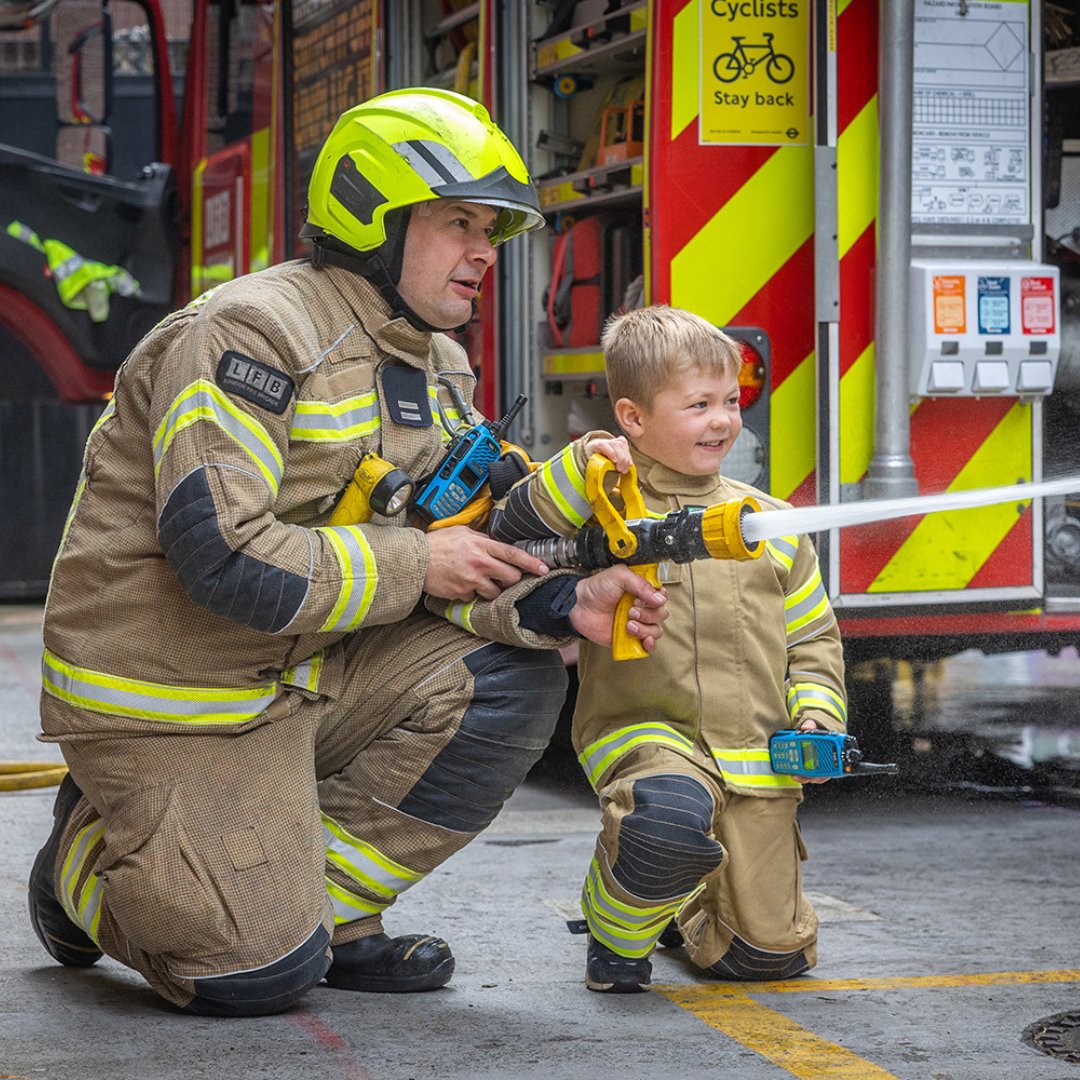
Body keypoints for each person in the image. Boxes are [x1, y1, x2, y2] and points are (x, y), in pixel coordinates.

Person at [26, 88, 668, 1017]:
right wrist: (422, 564)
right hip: (178, 699)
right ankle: (83, 865)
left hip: (302, 668)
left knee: (510, 673)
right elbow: (225, 557)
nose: (487, 251)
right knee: (250, 976)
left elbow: (456, 538)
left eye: (491, 228)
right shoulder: (247, 334)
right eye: (460, 222)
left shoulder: (437, 362)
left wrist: (565, 599)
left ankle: (335, 917)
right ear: (375, 213)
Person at [488, 305, 847, 993]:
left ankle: (678, 905)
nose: (723, 419)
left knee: (767, 958)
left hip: (757, 759)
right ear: (633, 417)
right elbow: (519, 524)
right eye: (699, 404)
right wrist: (584, 462)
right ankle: (616, 934)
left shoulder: (769, 523)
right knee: (667, 819)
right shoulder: (608, 504)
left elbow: (811, 639)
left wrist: (816, 720)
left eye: (733, 401)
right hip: (647, 732)